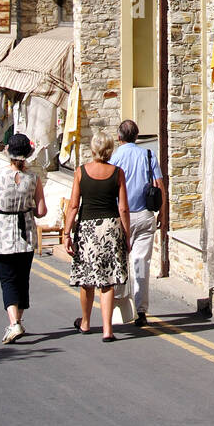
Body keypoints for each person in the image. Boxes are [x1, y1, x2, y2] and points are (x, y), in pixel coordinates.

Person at [0, 133, 46, 345]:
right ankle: (18, 320)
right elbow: (42, 211)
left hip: (2, 232)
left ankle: (14, 323)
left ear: (8, 152)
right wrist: (28, 205)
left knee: (7, 279)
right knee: (22, 278)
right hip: (25, 231)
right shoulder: (34, 179)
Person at [63, 133, 131, 341]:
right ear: (110, 149)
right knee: (108, 280)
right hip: (110, 227)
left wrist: (66, 233)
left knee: (87, 278)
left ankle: (85, 322)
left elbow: (74, 205)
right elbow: (123, 207)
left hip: (88, 228)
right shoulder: (117, 173)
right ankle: (107, 329)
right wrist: (126, 235)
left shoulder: (80, 172)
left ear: (93, 149)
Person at [111, 119, 166, 328]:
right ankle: (141, 311)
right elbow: (160, 186)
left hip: (120, 216)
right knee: (141, 263)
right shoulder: (148, 155)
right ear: (137, 136)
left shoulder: (115, 158)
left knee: (119, 262)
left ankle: (119, 307)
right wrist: (162, 213)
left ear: (119, 137)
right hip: (144, 215)